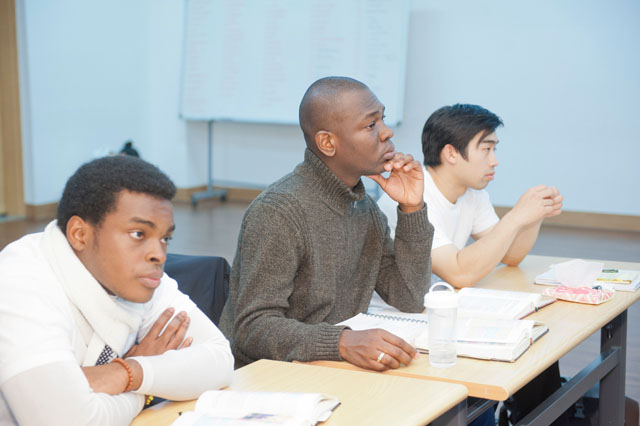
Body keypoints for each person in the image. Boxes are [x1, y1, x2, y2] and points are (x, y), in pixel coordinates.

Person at [219, 76, 434, 372]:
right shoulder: (278, 212)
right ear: (328, 143)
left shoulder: (364, 209)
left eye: (382, 119)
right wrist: (342, 342)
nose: (387, 132)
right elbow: (253, 328)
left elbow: (409, 296)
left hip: (328, 368)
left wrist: (412, 209)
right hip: (267, 376)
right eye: (371, 124)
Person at [0, 155, 233, 425]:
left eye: (165, 238)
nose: (158, 254)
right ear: (79, 234)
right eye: (138, 234)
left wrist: (128, 372)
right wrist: (143, 392)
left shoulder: (142, 279)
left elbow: (220, 360)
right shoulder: (21, 285)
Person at [377, 104, 565, 425]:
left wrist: (534, 216)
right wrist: (516, 217)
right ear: (451, 153)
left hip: (442, 310)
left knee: (535, 343)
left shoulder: (472, 194)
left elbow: (510, 255)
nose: (494, 160)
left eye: (494, 149)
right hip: (401, 323)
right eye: (486, 149)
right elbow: (460, 272)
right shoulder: (413, 194)